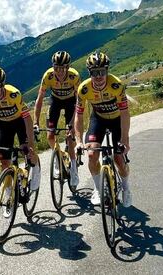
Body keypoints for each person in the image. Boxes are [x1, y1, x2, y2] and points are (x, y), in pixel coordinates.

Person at [74, 51, 132, 207]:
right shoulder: (83, 89)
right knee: (92, 154)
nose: (99, 76)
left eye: (102, 72)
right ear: (89, 73)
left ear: (107, 71)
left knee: (119, 159)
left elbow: (125, 113)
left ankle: (126, 188)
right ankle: (98, 189)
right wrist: (78, 141)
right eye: (94, 72)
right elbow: (78, 115)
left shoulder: (116, 85)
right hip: (98, 119)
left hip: (116, 120)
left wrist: (125, 140)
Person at [0, 67, 38, 217]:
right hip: (3, 125)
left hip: (20, 123)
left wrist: (30, 144)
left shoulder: (13, 94)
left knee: (27, 151)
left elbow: (27, 118)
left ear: (3, 86)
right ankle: (9, 195)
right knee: (4, 162)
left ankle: (35, 170)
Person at [34, 51, 80, 187]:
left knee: (70, 136)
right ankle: (57, 157)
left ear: (68, 67)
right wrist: (36, 122)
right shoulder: (48, 76)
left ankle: (73, 167)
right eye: (56, 68)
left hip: (71, 102)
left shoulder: (74, 76)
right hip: (55, 101)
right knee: (50, 135)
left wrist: (72, 123)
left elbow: (79, 101)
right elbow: (39, 99)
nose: (59, 71)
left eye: (63, 68)